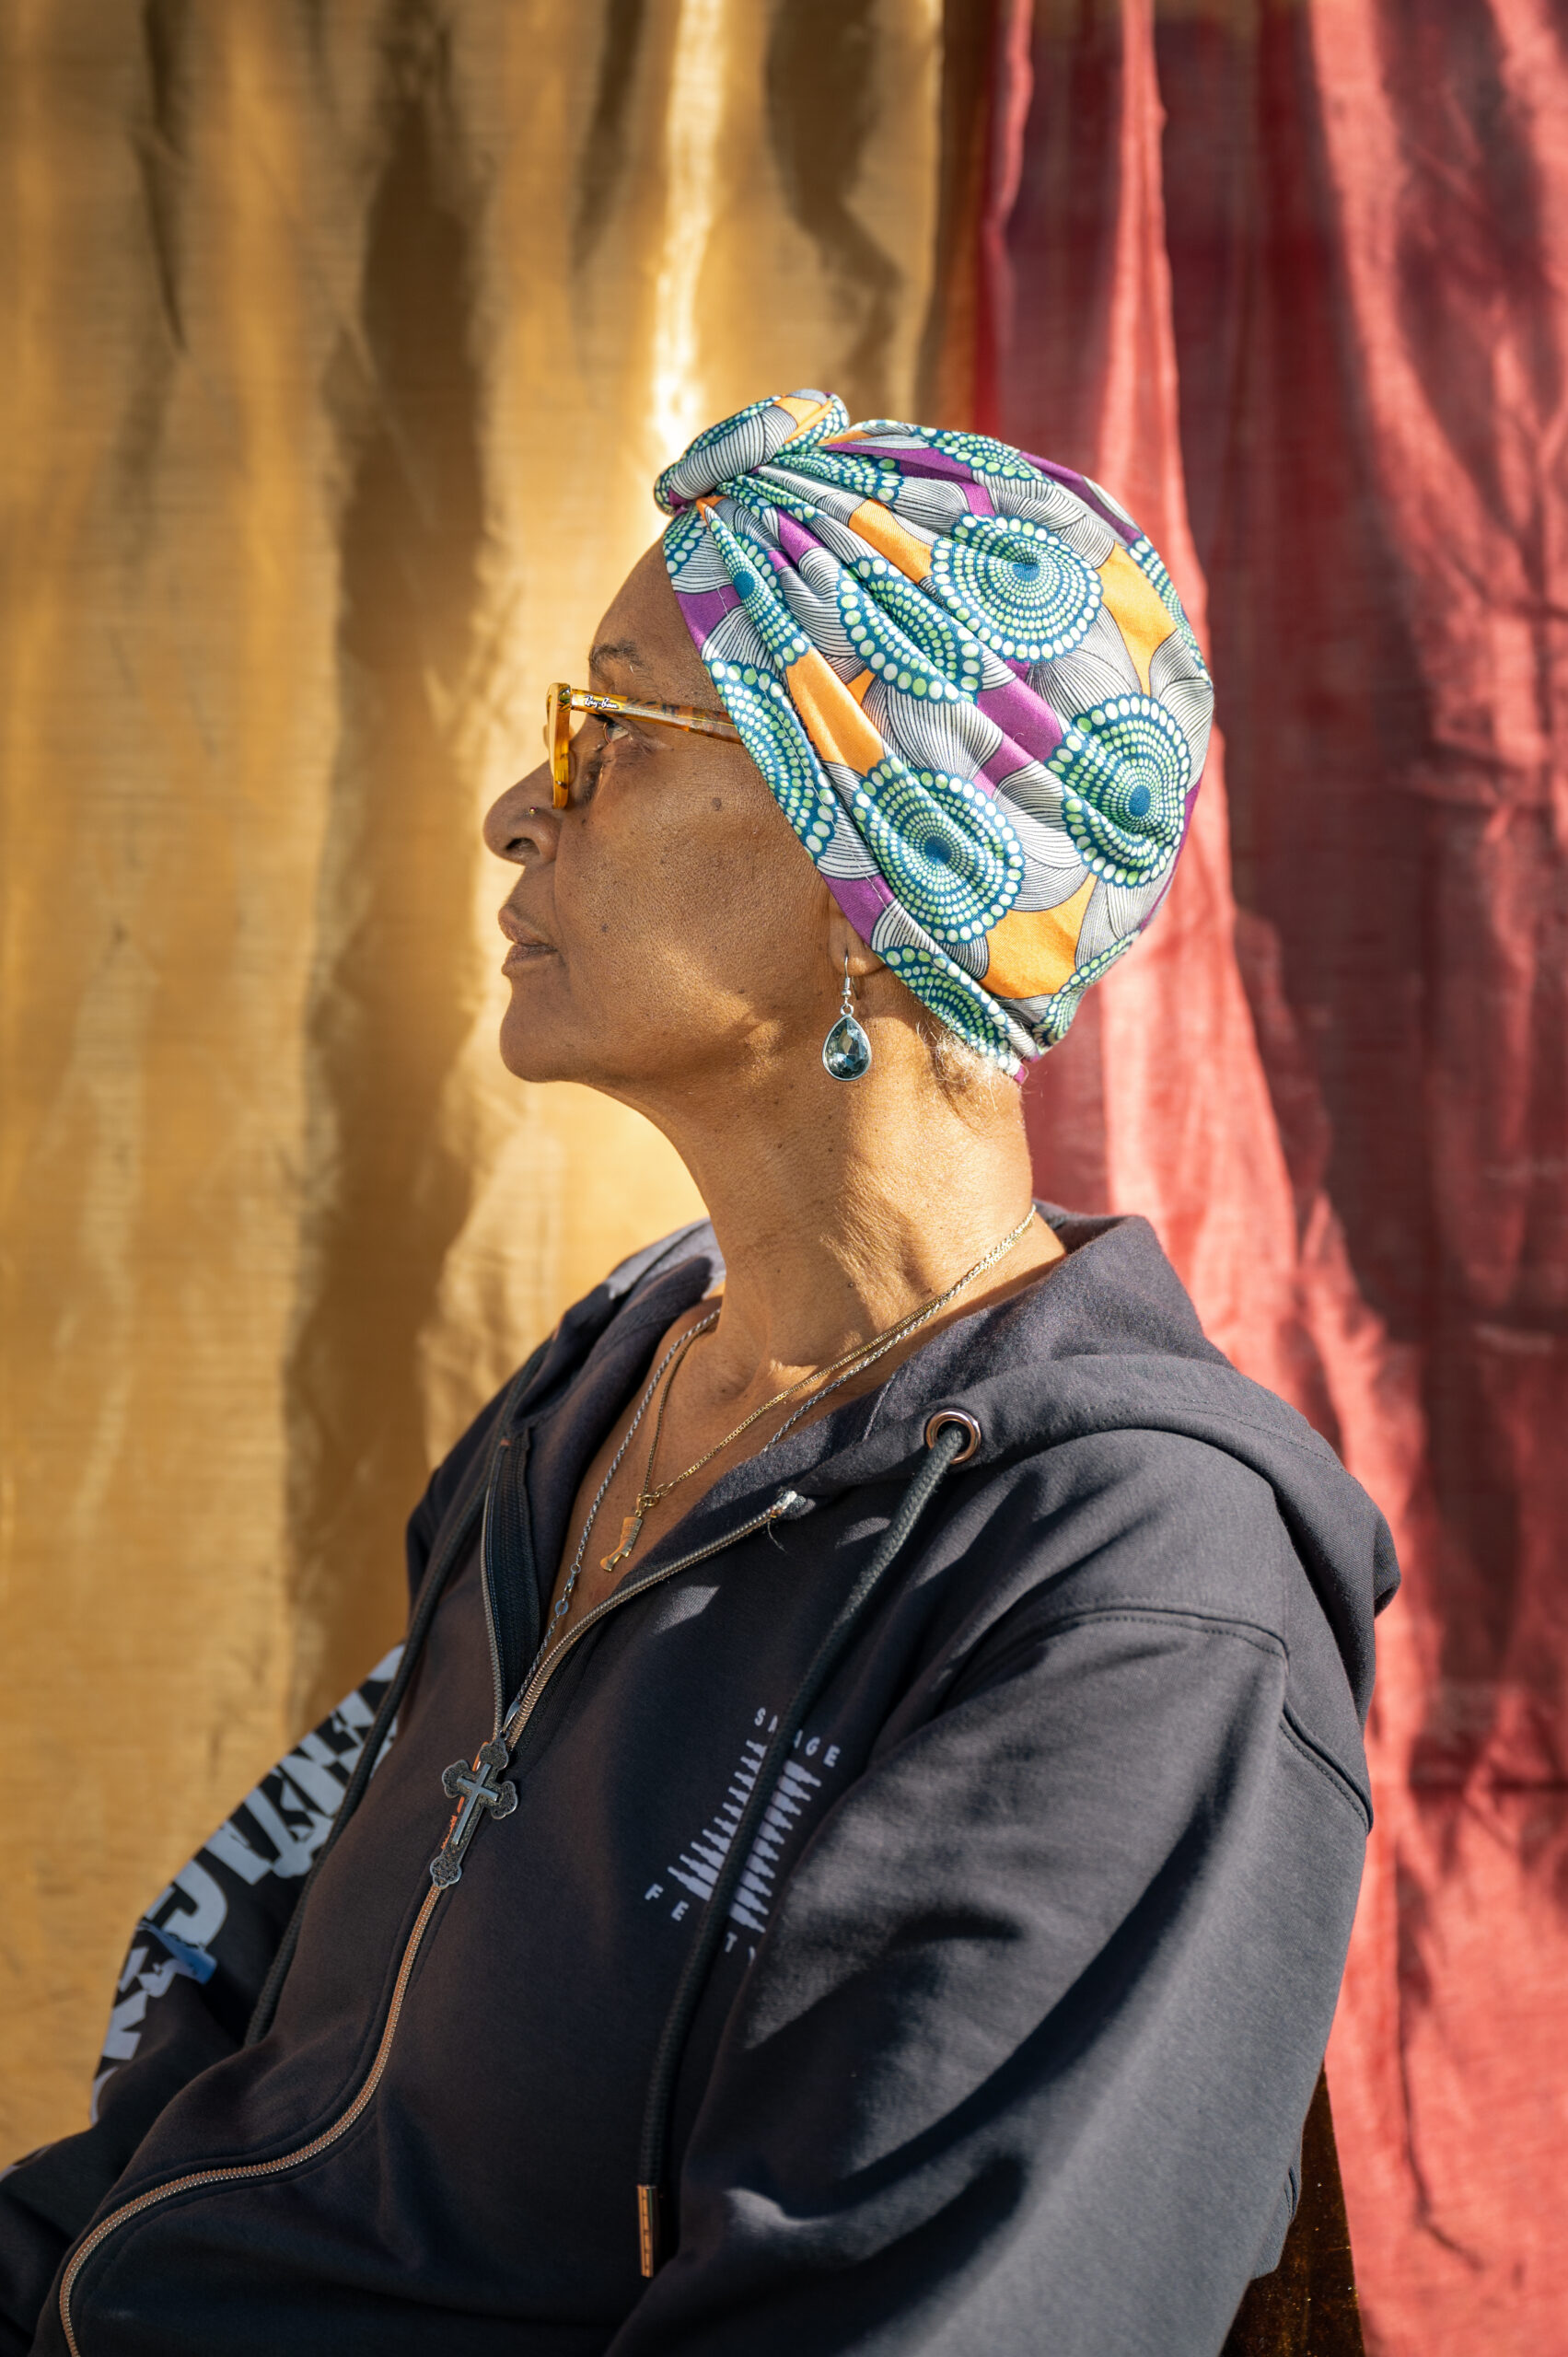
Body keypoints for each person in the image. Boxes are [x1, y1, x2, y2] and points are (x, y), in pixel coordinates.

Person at [1, 392, 1395, 2357]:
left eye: (617, 731)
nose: (518, 803)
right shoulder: (601, 1399)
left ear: (876, 873)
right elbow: (250, 2096)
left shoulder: (1135, 1595)